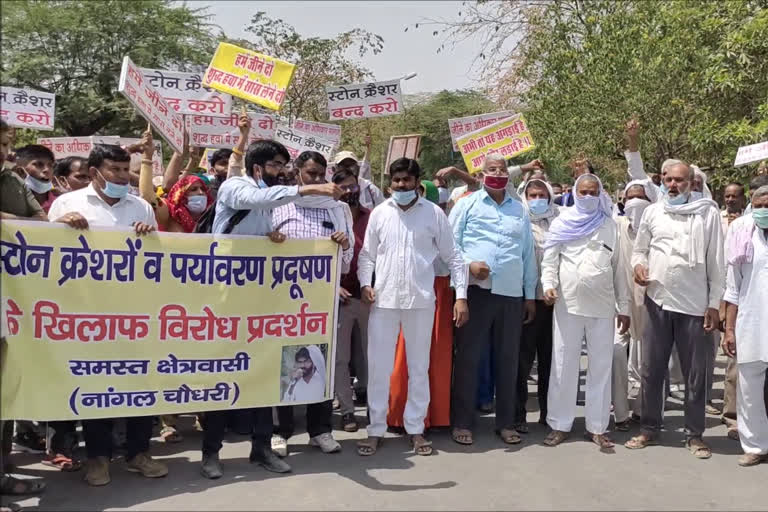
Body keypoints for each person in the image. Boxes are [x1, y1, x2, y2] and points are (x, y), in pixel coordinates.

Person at [200, 139, 342, 480]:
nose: (284, 172)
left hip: (260, 301)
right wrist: (310, 188)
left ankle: (261, 448)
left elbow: (259, 235)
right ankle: (210, 453)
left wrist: (271, 238)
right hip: (226, 302)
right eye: (279, 165)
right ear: (258, 167)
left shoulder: (269, 200)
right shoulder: (237, 187)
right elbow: (257, 200)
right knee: (224, 373)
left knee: (264, 374)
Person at [46, 144, 162, 486]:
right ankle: (99, 458)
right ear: (95, 172)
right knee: (99, 386)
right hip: (89, 314)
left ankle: (139, 453)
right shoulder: (67, 204)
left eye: (126, 170)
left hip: (134, 313)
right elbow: (46, 255)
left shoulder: (140, 206)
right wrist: (62, 227)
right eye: (115, 170)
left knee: (141, 384)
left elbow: (157, 257)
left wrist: (150, 236)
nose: (123, 177)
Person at [356, 157, 468, 457]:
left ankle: (416, 429)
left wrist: (461, 296)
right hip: (384, 300)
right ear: (389, 183)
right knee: (379, 367)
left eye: (406, 180)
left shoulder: (433, 214)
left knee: (419, 367)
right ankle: (376, 429)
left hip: (420, 301)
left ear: (418, 182)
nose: (401, 186)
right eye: (396, 181)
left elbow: (454, 258)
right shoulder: (380, 213)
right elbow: (367, 255)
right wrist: (366, 283)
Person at [626, 161, 724, 459]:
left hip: (695, 306)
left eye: (678, 180)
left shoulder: (708, 213)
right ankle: (649, 428)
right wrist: (639, 266)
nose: (672, 185)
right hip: (658, 302)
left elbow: (716, 262)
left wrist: (713, 305)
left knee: (696, 374)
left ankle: (694, 435)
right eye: (667, 179)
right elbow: (640, 249)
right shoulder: (654, 211)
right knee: (651, 370)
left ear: (692, 182)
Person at [449, 154, 537, 445]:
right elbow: (450, 246)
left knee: (508, 360)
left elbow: (527, 254)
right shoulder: (466, 204)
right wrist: (469, 265)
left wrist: (529, 295)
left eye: (501, 169)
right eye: (491, 169)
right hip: (476, 292)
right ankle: (463, 422)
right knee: (469, 358)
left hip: (511, 293)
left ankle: (506, 422)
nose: (497, 173)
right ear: (481, 173)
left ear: (508, 175)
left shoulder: (519, 210)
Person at [269, 150, 352, 456]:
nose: (317, 179)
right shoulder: (279, 205)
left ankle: (320, 430)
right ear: (297, 174)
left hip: (321, 300)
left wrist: (344, 246)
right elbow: (264, 249)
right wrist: (272, 239)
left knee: (320, 361)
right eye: (311, 174)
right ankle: (281, 431)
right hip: (285, 298)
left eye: (321, 174)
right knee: (286, 361)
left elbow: (344, 265)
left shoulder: (337, 209)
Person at [540, 174, 630, 449]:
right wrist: (549, 285)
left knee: (600, 367)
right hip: (568, 305)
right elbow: (550, 259)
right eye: (583, 192)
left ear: (599, 193)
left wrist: (623, 308)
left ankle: (598, 426)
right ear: (575, 194)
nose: (588, 197)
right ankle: (559, 423)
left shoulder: (609, 224)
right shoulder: (562, 222)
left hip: (602, 307)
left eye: (593, 192)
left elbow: (619, 269)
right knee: (563, 364)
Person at [387, 179, 455, 431]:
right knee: (403, 358)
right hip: (406, 293)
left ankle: (434, 416)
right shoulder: (395, 218)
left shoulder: (441, 219)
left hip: (439, 293)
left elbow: (452, 256)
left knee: (435, 357)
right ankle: (397, 414)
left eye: (423, 194)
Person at [723, 185, 768, 466]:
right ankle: (754, 445)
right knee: (749, 386)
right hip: (751, 321)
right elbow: (733, 287)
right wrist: (729, 329)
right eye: (760, 204)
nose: (765, 210)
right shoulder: (741, 230)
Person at [611, 178, 656, 431]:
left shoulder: (658, 228)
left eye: (641, 197)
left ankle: (643, 409)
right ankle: (620, 413)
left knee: (650, 360)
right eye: (630, 198)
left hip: (650, 304)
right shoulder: (615, 225)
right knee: (617, 354)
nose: (635, 202)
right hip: (620, 304)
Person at [515, 178, 559, 429]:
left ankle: (549, 413)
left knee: (551, 361)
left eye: (542, 195)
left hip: (554, 300)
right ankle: (518, 415)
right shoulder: (519, 221)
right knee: (522, 360)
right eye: (532, 195)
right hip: (526, 300)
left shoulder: (561, 221)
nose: (537, 199)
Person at [331, 167, 371, 433]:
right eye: (343, 187)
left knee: (369, 356)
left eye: (352, 186)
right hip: (340, 298)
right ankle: (347, 411)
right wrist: (332, 286)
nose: (349, 192)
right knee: (340, 360)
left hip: (370, 297)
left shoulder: (374, 217)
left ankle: (374, 405)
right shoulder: (328, 216)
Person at [333, 143, 384, 210]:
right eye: (343, 166)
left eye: (351, 165)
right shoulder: (328, 191)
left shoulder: (370, 189)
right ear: (334, 169)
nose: (348, 169)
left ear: (358, 168)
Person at [13, 144, 60, 213]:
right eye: (39, 165)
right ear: (20, 171)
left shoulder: (61, 202)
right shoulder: (8, 202)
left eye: (50, 165)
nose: (47, 170)